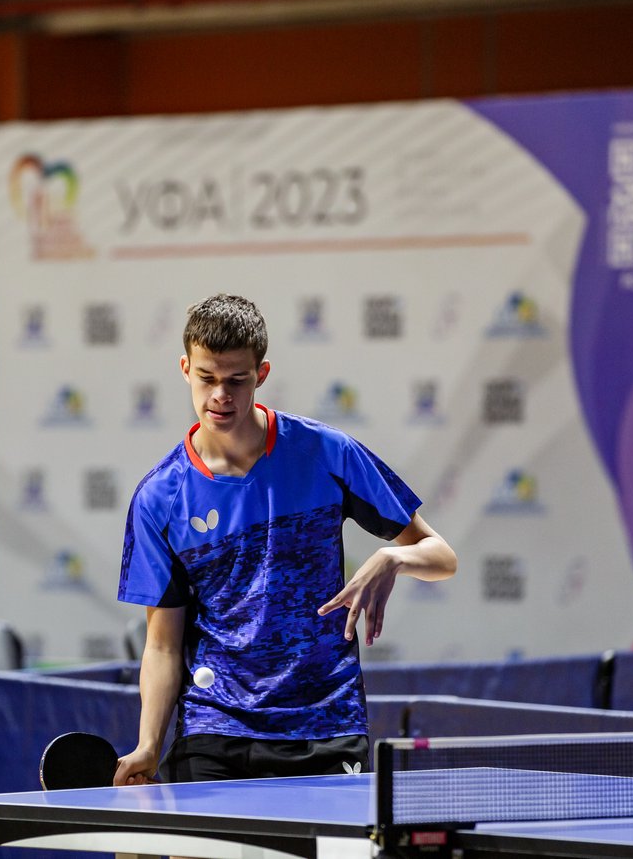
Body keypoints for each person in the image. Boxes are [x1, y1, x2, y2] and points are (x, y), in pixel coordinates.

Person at [113, 293, 457, 786]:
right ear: (185, 369)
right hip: (217, 724)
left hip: (326, 721)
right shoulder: (160, 497)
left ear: (262, 373)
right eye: (207, 378)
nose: (220, 395)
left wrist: (393, 558)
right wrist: (149, 744)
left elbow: (441, 557)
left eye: (237, 380)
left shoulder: (325, 453)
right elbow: (163, 645)